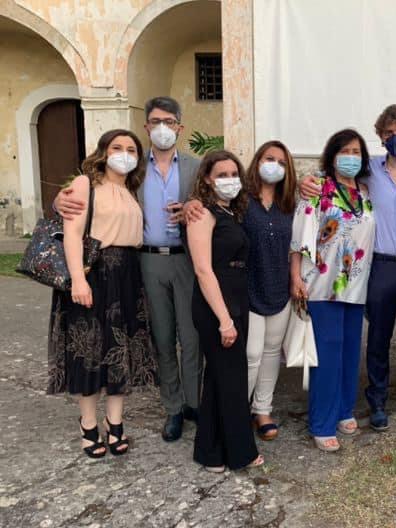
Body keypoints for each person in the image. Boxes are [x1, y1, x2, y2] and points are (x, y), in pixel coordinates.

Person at [55, 97, 202, 442]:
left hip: (186, 259)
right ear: (147, 126)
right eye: (156, 121)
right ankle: (173, 408)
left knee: (192, 337)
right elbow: (89, 195)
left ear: (179, 127)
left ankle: (195, 403)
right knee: (161, 337)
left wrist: (194, 204)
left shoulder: (196, 167)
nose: (163, 128)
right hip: (145, 261)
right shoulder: (133, 171)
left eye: (169, 121)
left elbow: (215, 199)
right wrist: (58, 200)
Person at [300, 104, 396, 431]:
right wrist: (304, 181)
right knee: (378, 337)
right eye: (389, 132)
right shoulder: (369, 172)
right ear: (381, 137)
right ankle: (377, 401)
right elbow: (333, 180)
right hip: (381, 266)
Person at [48, 129, 158, 458]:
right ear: (103, 152)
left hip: (128, 275)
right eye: (117, 148)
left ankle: (115, 421)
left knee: (121, 348)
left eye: (131, 150)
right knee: (90, 350)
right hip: (94, 272)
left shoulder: (131, 189)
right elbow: (72, 233)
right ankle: (88, 424)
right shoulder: (86, 184)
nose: (124, 154)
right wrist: (78, 280)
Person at [185, 141, 298, 440]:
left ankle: (262, 410)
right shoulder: (241, 200)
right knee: (250, 356)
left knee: (272, 352)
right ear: (257, 161)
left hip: (279, 287)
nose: (274, 166)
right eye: (269, 158)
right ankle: (236, 413)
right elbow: (210, 208)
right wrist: (189, 204)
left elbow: (297, 245)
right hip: (247, 288)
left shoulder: (290, 204)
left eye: (282, 162)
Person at [290, 129, 375, 452]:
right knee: (327, 354)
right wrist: (295, 276)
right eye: (345, 151)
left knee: (350, 352)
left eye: (356, 152)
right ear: (332, 155)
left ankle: (343, 409)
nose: (351, 157)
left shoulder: (365, 192)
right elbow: (299, 237)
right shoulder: (317, 188)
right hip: (321, 285)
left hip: (355, 285)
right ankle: (322, 423)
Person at [187, 150, 263, 472]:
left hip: (237, 298)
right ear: (207, 178)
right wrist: (224, 320)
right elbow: (203, 270)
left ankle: (210, 451)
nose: (229, 180)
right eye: (221, 175)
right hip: (216, 304)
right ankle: (241, 452)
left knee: (220, 377)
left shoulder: (231, 211)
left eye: (234, 174)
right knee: (231, 379)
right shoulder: (202, 214)